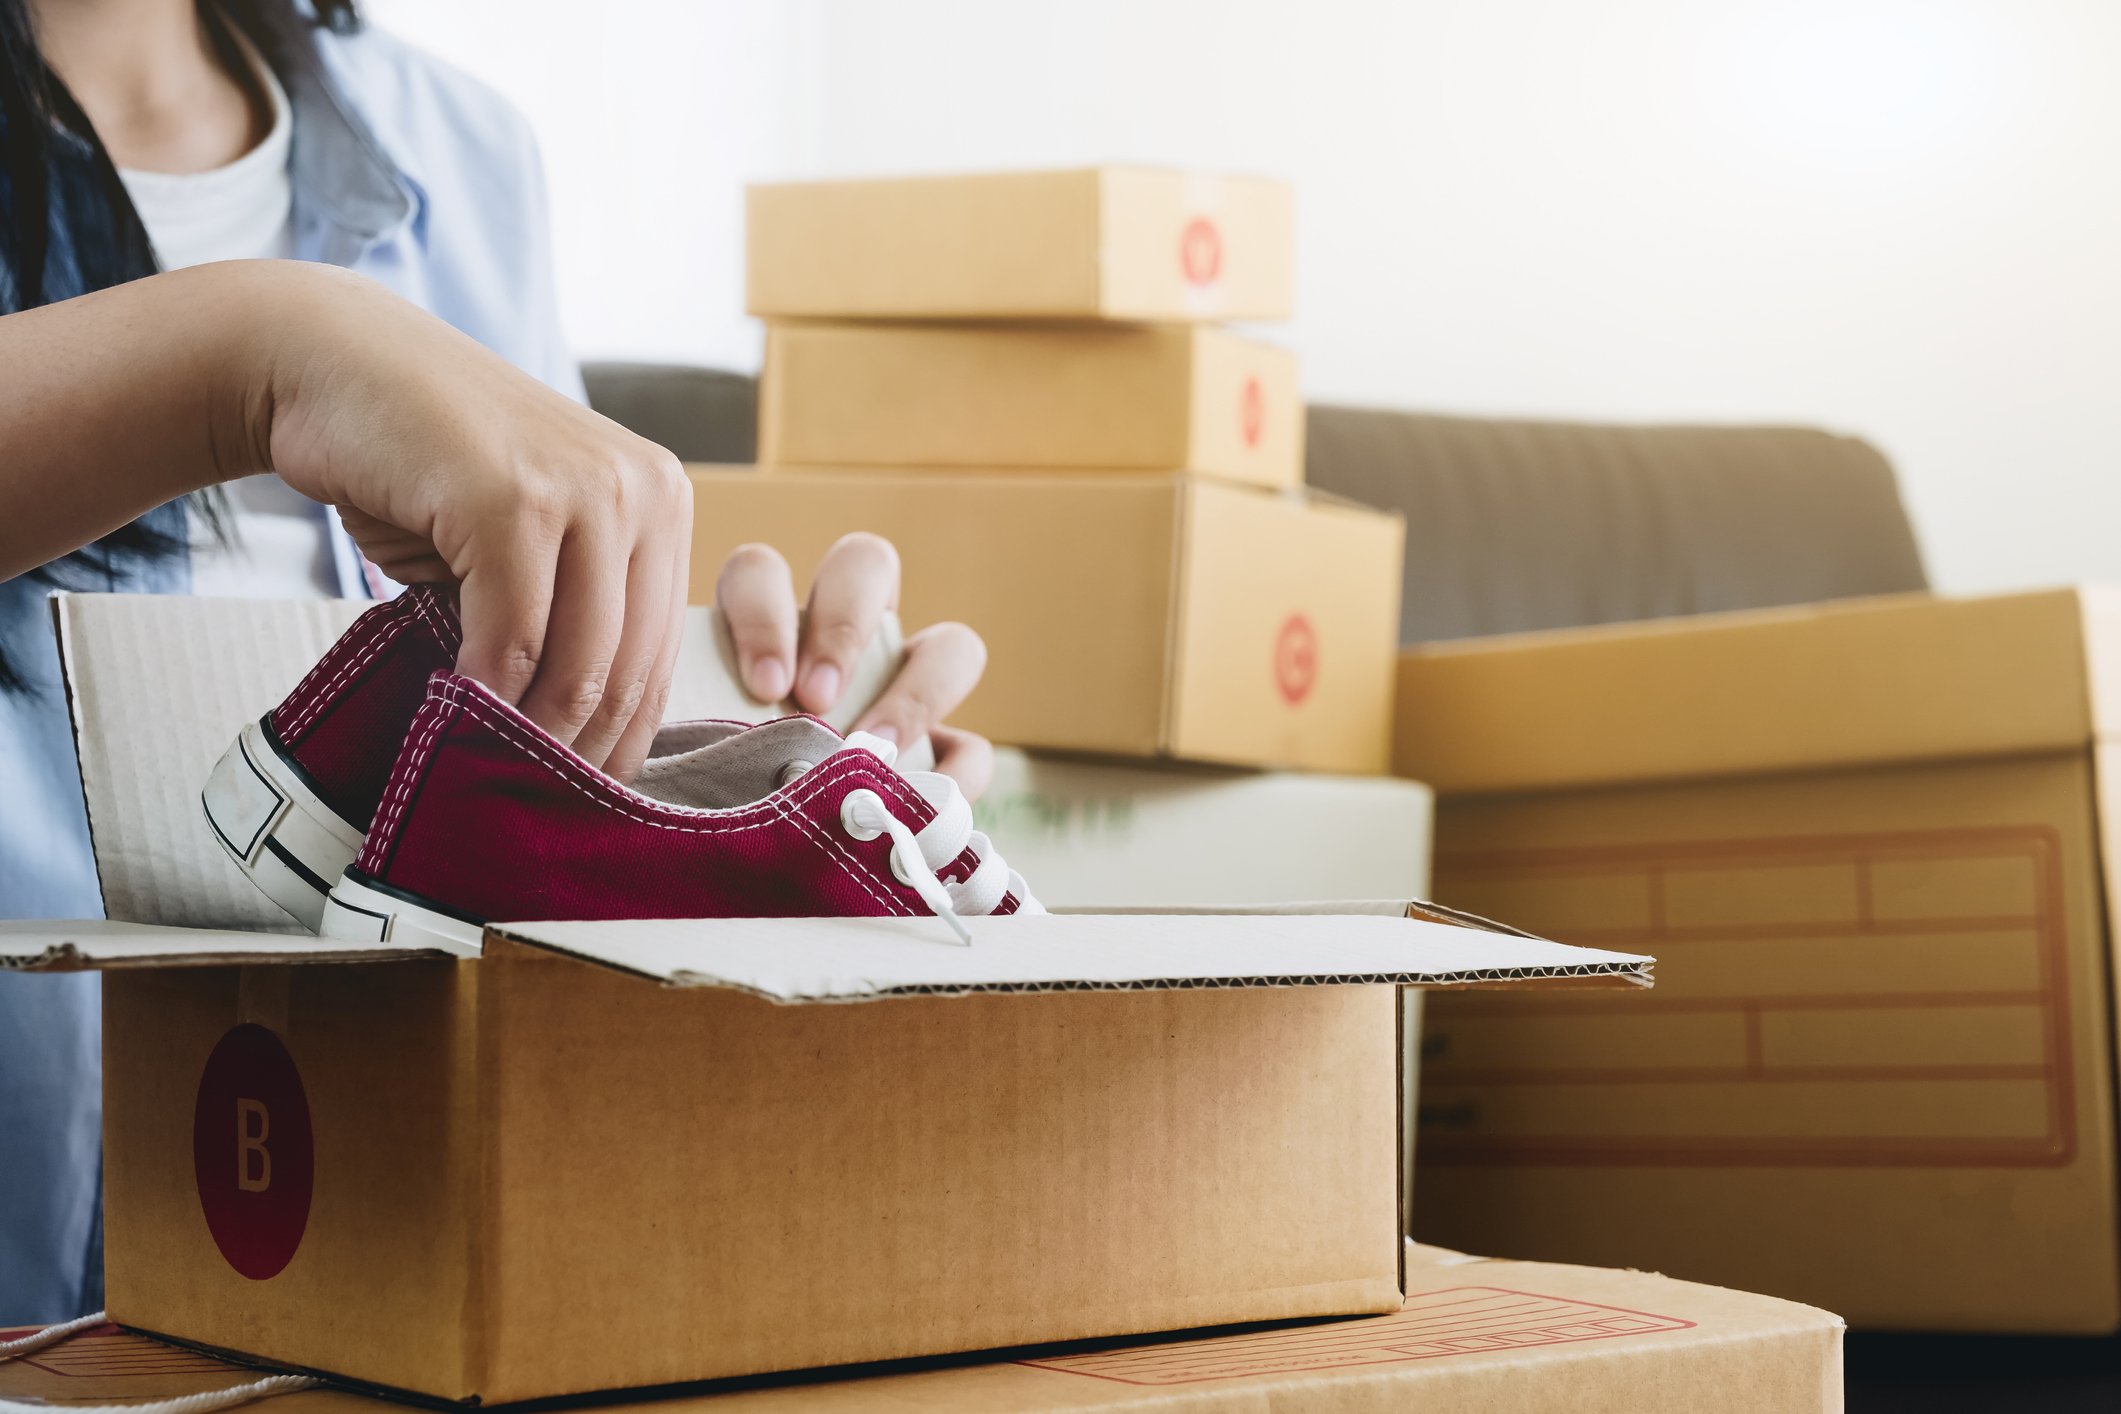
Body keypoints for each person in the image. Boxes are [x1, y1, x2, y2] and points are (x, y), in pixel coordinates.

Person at [0, 0, 989, 1319]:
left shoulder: (457, 151)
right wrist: (256, 353)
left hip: (393, 1257)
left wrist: (738, 705)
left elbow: (532, 663)